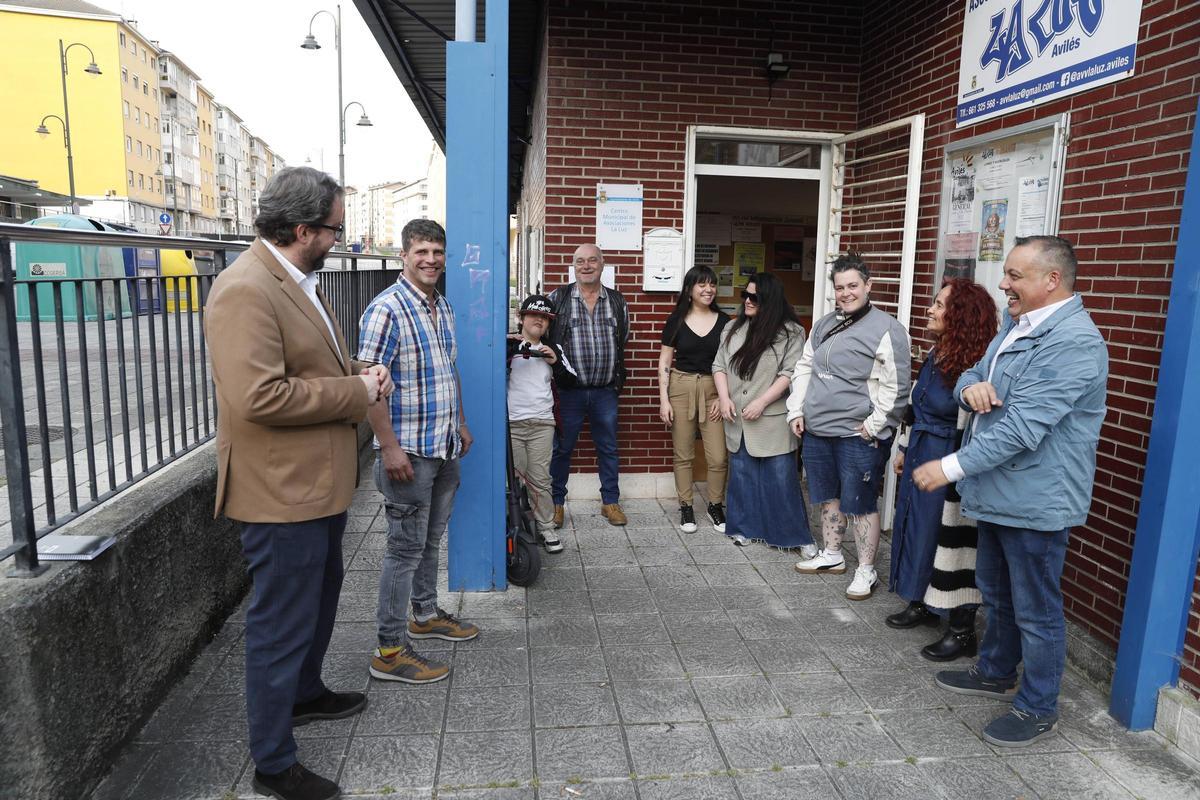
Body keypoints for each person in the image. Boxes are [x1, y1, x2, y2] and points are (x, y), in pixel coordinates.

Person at [206, 166, 391, 800]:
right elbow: (261, 396)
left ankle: (306, 694)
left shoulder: (293, 278)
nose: (340, 240)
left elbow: (306, 366)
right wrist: (356, 391)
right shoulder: (244, 289)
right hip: (281, 493)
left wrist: (357, 372)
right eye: (336, 229)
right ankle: (273, 762)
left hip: (316, 486)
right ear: (304, 228)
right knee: (280, 623)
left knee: (318, 602)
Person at [913, 235, 1108, 747]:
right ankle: (997, 670)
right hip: (999, 491)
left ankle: (1038, 705)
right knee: (996, 592)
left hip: (1037, 501)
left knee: (1036, 609)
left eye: (1016, 276)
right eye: (1006, 273)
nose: (1004, 284)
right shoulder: (1017, 324)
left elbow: (1023, 428)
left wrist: (948, 467)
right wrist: (970, 388)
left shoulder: (1074, 344)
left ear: (1052, 280)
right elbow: (973, 374)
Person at [358, 218, 481, 686]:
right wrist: (388, 449)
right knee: (403, 551)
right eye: (421, 252)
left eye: (437, 251)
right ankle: (389, 651)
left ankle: (424, 615)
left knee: (429, 542)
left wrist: (462, 423)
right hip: (408, 451)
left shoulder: (441, 306)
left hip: (443, 444)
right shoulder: (386, 309)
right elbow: (371, 386)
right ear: (403, 257)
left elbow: (448, 372)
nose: (430, 260)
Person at [885, 278, 996, 664]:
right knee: (916, 526)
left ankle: (960, 628)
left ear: (961, 316)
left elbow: (976, 428)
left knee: (951, 538)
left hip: (950, 457)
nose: (930, 310)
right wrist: (904, 448)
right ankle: (922, 600)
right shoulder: (937, 352)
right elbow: (918, 407)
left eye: (939, 305)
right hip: (922, 449)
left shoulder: (975, 365)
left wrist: (956, 470)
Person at [788, 253, 911, 600]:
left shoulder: (887, 328)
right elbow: (805, 367)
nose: (845, 293)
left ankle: (866, 570)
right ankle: (832, 555)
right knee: (828, 496)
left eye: (852, 286)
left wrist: (874, 426)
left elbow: (897, 387)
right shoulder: (825, 324)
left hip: (857, 435)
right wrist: (796, 410)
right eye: (840, 287)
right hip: (818, 430)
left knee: (860, 503)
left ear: (868, 286)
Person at [712, 273, 812, 549]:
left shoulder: (792, 331)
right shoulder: (732, 329)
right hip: (737, 419)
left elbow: (789, 373)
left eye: (754, 297)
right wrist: (723, 398)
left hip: (771, 418)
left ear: (769, 299)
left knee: (780, 481)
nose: (747, 301)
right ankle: (744, 529)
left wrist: (763, 401)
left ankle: (793, 537)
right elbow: (719, 365)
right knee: (742, 477)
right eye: (745, 295)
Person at [547, 243, 631, 527]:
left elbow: (623, 339)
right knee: (562, 448)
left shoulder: (617, 301)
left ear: (602, 265)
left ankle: (610, 502)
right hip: (568, 392)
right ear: (573, 266)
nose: (586, 266)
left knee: (608, 447)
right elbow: (545, 338)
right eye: (580, 261)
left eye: (592, 260)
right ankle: (556, 504)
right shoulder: (558, 298)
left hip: (605, 390)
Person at [657, 266, 731, 533]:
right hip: (681, 387)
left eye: (712, 284)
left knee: (718, 457)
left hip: (714, 389)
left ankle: (715, 505)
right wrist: (664, 399)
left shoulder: (726, 322)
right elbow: (665, 360)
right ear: (689, 289)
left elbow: (731, 364)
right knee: (683, 454)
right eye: (702, 284)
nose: (708, 289)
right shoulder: (676, 319)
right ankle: (686, 506)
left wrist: (723, 397)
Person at [507, 294, 578, 552]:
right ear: (521, 317)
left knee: (540, 479)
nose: (539, 320)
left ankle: (545, 527)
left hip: (542, 424)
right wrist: (512, 349)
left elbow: (572, 380)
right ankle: (511, 524)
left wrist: (555, 362)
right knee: (512, 479)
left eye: (545, 318)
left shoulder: (554, 349)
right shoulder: (507, 345)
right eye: (534, 315)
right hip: (512, 424)